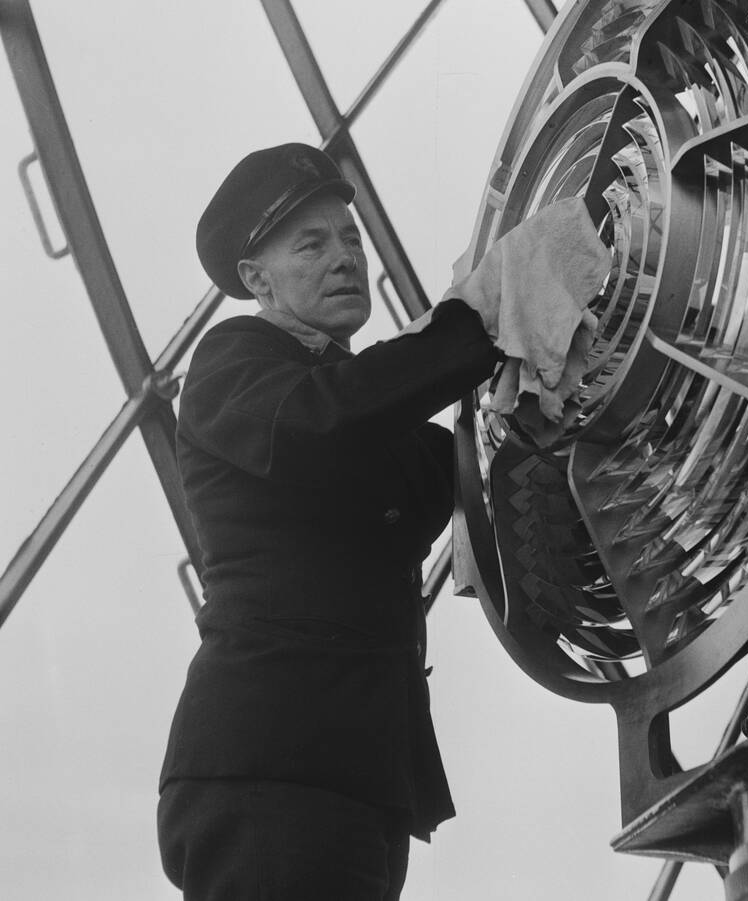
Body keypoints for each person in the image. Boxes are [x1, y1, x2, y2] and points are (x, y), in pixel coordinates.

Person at [157, 142, 502, 900]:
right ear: (257, 279)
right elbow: (325, 421)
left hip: (356, 778)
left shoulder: (368, 405)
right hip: (270, 774)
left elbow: (468, 467)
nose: (345, 257)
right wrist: (483, 325)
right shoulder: (232, 364)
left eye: (351, 238)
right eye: (311, 243)